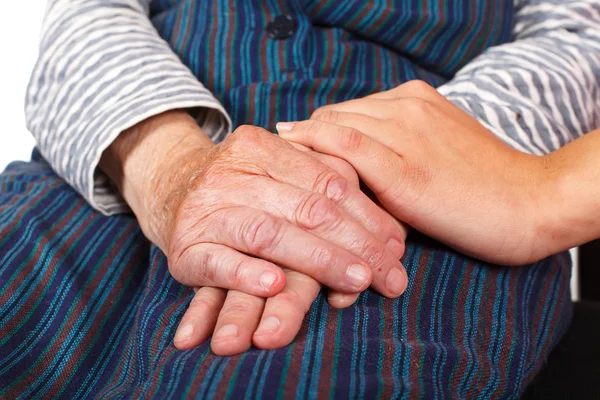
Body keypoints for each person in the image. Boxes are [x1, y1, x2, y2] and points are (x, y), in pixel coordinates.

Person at [0, 0, 595, 398]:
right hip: (121, 159)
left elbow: (579, 33)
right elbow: (88, 13)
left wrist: (370, 164)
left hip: (428, 205)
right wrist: (174, 175)